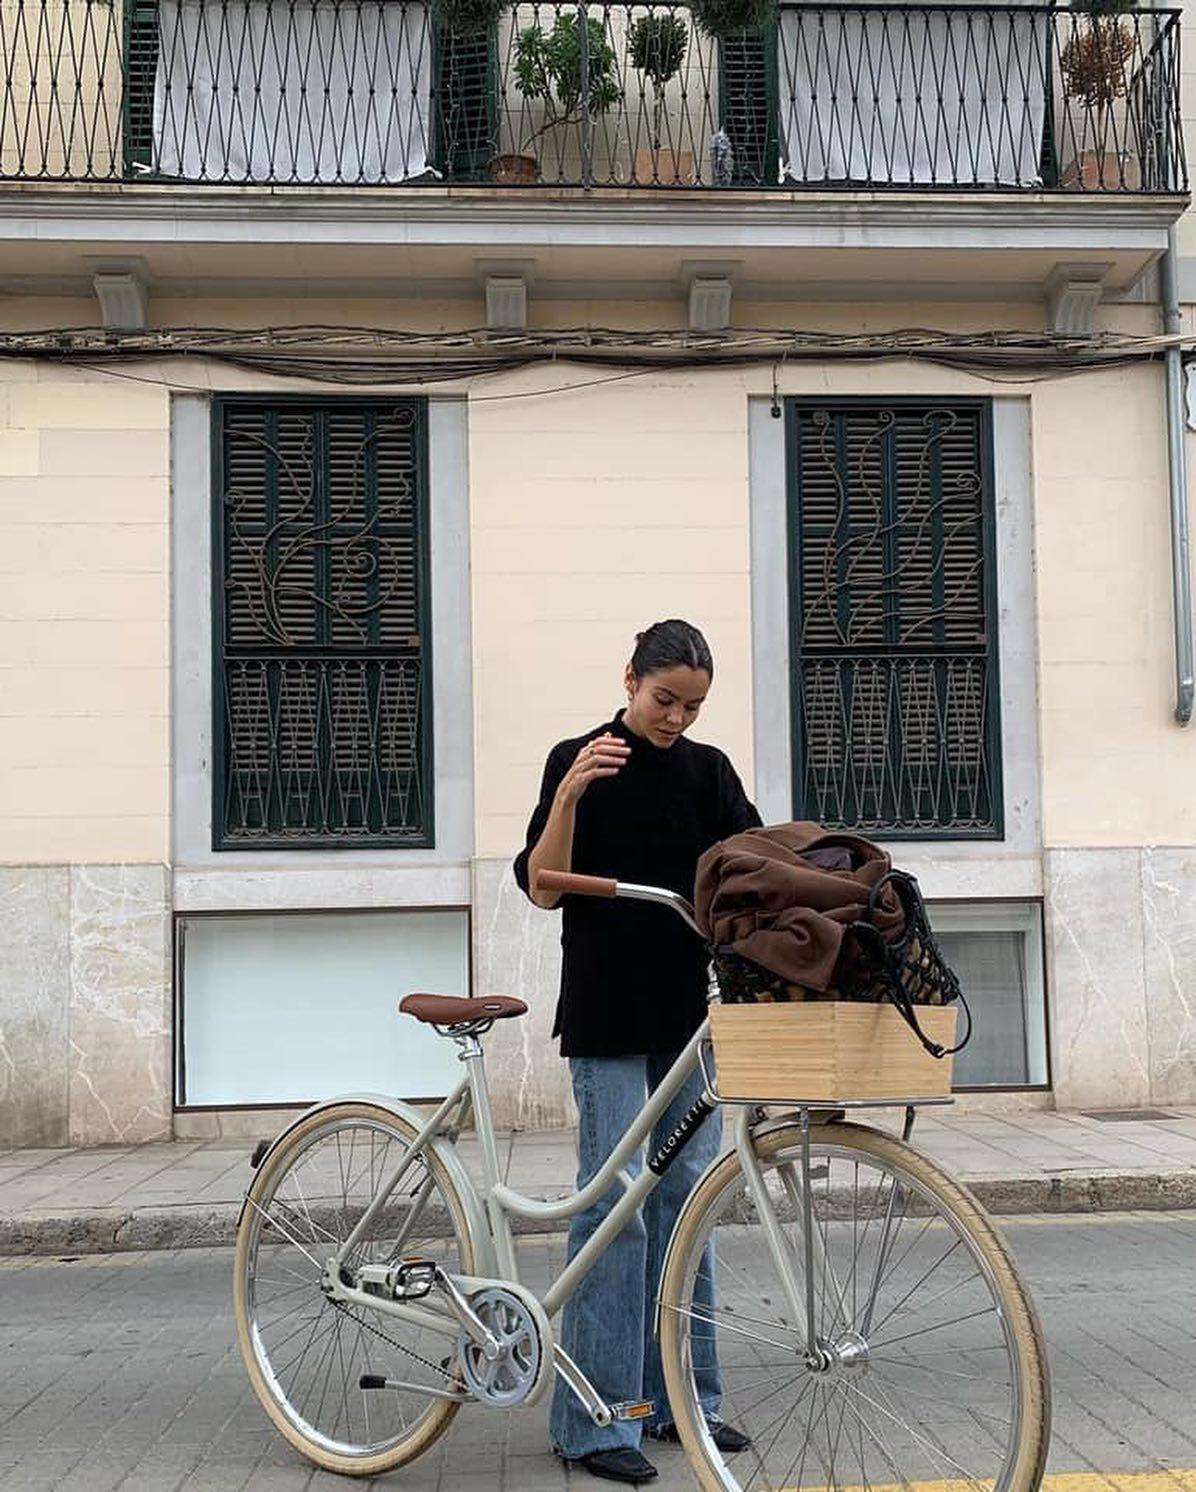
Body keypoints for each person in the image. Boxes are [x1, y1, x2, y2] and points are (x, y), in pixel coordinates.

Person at [513, 619, 761, 1487]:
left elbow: (748, 866)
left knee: (686, 1201)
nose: (677, 719)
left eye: (693, 705)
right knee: (614, 1206)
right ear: (629, 679)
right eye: (665, 700)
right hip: (607, 1012)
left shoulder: (709, 770)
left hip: (685, 1016)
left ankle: (680, 1401)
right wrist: (572, 796)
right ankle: (592, 1422)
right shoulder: (576, 757)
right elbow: (543, 886)